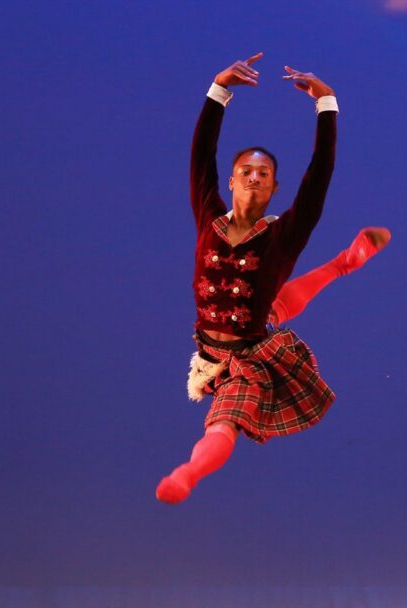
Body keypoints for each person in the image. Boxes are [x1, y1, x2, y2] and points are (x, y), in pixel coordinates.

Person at [156, 53, 390, 504]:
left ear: (275, 188)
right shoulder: (209, 218)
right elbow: (200, 155)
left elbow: (318, 177)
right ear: (230, 181)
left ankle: (188, 473)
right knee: (277, 305)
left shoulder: (284, 233)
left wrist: (327, 105)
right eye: (246, 172)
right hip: (210, 352)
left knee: (223, 421)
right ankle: (345, 261)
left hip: (247, 358)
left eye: (264, 174)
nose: (255, 178)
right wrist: (217, 91)